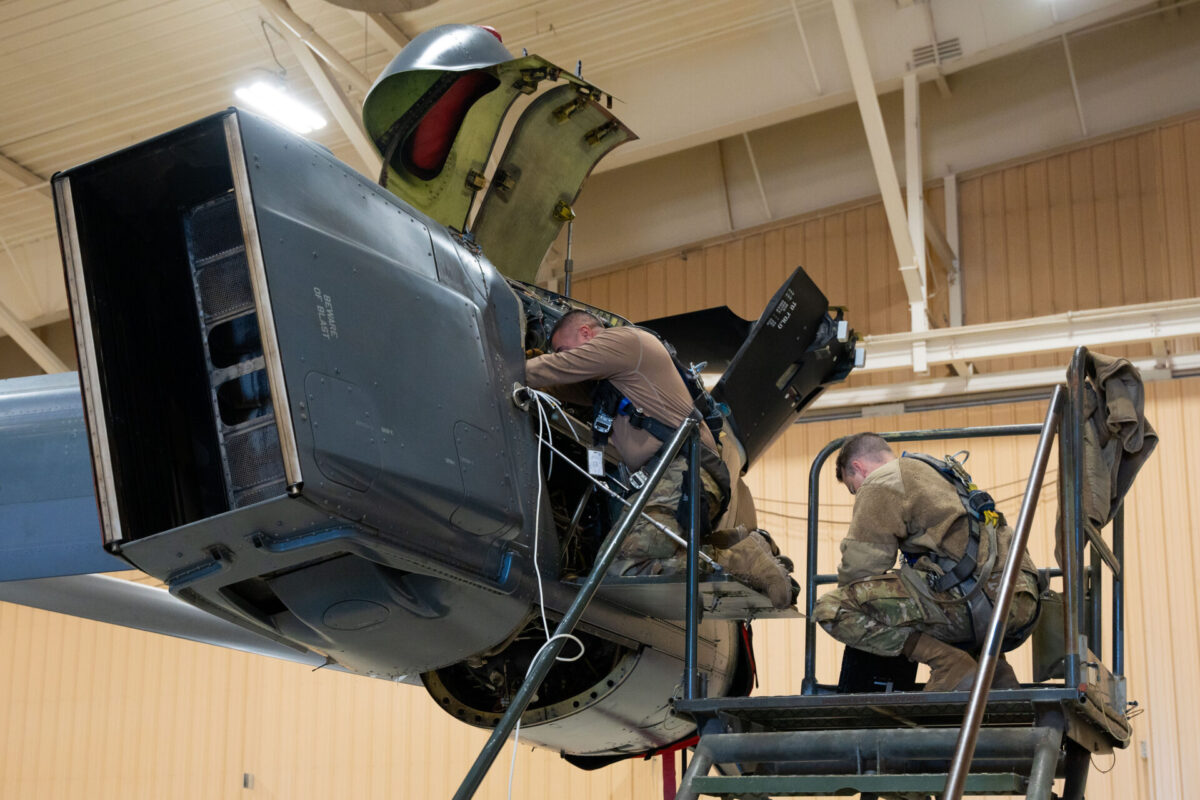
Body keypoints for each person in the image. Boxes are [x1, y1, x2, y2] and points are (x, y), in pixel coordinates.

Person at [525, 310, 793, 608]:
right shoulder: (614, 380)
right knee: (628, 564)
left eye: (562, 349)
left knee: (623, 569)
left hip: (683, 471)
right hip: (673, 475)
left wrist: (509, 364)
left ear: (586, 333)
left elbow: (552, 370)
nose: (561, 357)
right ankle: (732, 547)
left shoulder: (624, 343)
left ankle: (741, 558)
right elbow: (562, 385)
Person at [813, 432, 1040, 691]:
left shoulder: (881, 481)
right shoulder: (936, 471)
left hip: (981, 599)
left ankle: (948, 664)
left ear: (858, 467)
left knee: (834, 608)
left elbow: (860, 570)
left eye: (853, 488)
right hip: (1020, 599)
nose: (857, 494)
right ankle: (997, 677)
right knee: (933, 593)